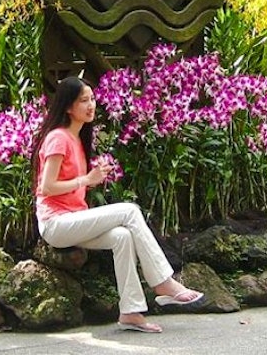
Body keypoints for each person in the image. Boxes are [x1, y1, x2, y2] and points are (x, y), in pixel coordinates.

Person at [32, 76, 204, 334]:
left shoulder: (76, 138)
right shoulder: (58, 138)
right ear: (68, 106)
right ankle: (163, 283)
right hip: (55, 224)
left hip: (73, 219)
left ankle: (131, 311)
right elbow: (46, 188)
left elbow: (70, 185)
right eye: (83, 101)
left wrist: (92, 180)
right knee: (129, 210)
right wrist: (86, 179)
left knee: (122, 237)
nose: (91, 105)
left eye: (92, 99)